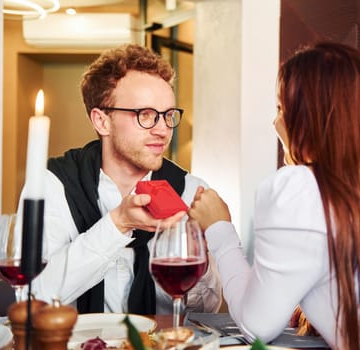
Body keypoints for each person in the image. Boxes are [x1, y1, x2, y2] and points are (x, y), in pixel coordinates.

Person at [189, 42, 360, 349]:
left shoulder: (297, 187)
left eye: (281, 109)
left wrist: (220, 231)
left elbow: (256, 327)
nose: (275, 124)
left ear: (307, 120)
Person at [17, 44, 222, 315]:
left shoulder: (192, 192)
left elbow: (208, 310)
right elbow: (34, 297)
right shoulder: (50, 185)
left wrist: (201, 262)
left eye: (168, 115)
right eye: (145, 115)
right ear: (102, 121)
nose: (162, 129)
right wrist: (118, 224)